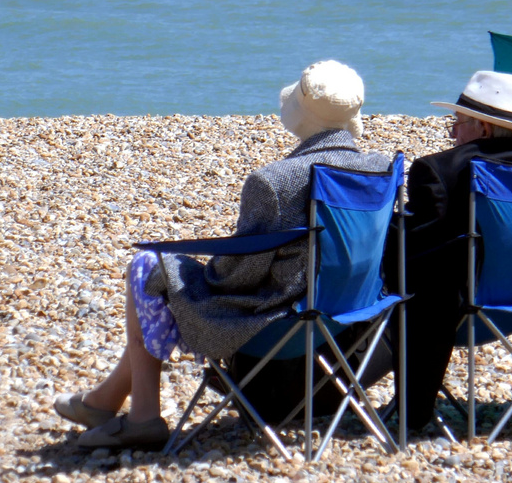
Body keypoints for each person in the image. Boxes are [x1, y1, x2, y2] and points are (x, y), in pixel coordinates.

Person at [53, 60, 391, 450]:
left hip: (275, 325)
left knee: (148, 265)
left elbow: (236, 278)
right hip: (347, 316)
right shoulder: (379, 168)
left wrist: (196, 275)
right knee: (164, 272)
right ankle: (102, 402)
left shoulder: (277, 181)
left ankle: (143, 417)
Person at [393, 70, 512, 430]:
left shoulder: (442, 169)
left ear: (485, 130)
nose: (453, 133)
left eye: (458, 123)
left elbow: (416, 251)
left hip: (472, 305)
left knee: (406, 278)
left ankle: (409, 411)